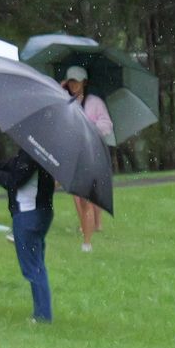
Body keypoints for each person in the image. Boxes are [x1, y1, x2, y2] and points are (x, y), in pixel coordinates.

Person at [0, 151, 57, 323]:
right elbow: (14, 164)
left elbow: (14, 181)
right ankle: (42, 312)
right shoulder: (44, 152)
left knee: (33, 267)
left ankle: (42, 316)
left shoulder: (33, 153)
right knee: (36, 264)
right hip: (42, 213)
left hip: (28, 214)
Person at [61, 67, 114, 251]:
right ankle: (86, 225)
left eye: (76, 81)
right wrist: (60, 89)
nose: (73, 85)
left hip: (92, 151)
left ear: (84, 82)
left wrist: (90, 127)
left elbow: (106, 124)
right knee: (77, 191)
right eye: (70, 81)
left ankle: (94, 225)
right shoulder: (65, 100)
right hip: (74, 150)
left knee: (90, 191)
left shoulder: (95, 102)